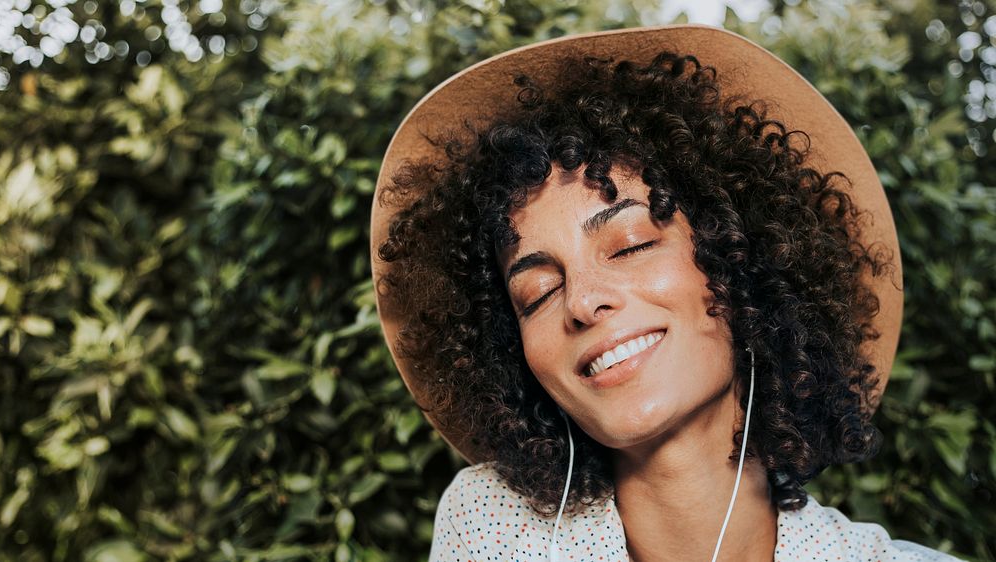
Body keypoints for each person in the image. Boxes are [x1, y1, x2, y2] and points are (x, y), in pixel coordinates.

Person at [370, 26, 960, 561]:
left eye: (629, 246)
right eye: (538, 292)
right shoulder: (492, 527)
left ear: (742, 262)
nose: (582, 302)